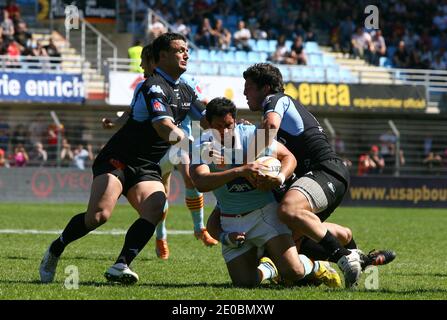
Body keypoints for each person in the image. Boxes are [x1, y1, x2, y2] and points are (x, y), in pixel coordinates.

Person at [39, 33, 201, 285]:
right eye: (180, 50)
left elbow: (206, 114)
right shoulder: (153, 85)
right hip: (119, 158)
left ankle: (121, 264)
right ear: (163, 56)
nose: (186, 54)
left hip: (147, 165)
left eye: (187, 50)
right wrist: (190, 140)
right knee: (98, 216)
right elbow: (163, 128)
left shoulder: (187, 89)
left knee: (156, 207)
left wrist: (230, 125)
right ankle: (56, 248)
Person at [241, 63, 394, 288]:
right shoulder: (275, 110)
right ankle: (356, 254)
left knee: (288, 211)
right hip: (321, 175)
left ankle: (343, 256)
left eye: (249, 87)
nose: (244, 93)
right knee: (286, 242)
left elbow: (270, 125)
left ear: (266, 88)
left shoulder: (275, 100)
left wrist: (247, 160)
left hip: (325, 171)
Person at [190, 97, 341, 288]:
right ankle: (270, 268)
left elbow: (288, 157)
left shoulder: (252, 135)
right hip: (231, 221)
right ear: (208, 126)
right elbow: (200, 182)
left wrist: (279, 178)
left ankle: (318, 266)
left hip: (265, 214)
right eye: (218, 126)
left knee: (293, 272)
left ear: (235, 122)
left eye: (228, 125)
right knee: (245, 283)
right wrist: (240, 170)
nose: (225, 131)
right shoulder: (202, 147)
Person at [103, 43, 217, 261]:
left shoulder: (187, 84)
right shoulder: (145, 86)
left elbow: (201, 110)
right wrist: (114, 124)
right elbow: (131, 111)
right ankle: (161, 236)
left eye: (143, 61)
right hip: (158, 147)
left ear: (153, 61)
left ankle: (199, 227)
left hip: (180, 140)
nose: (140, 65)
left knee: (190, 177)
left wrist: (215, 117)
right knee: (161, 193)